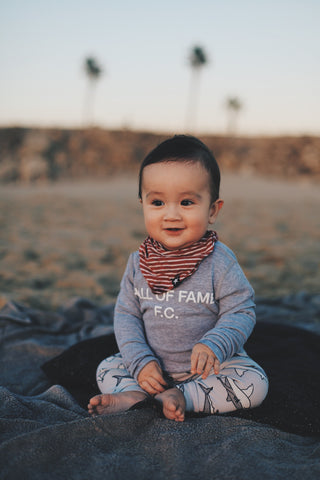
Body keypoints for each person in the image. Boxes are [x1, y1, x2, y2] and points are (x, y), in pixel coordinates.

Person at [88, 135, 268, 421]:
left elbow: (241, 309)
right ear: (142, 205)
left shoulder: (219, 261)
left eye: (186, 202)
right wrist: (140, 362)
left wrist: (215, 344)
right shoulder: (138, 262)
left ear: (212, 210)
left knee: (255, 384)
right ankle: (136, 394)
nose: (171, 215)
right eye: (157, 202)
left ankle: (183, 396)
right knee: (106, 367)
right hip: (152, 367)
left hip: (208, 369)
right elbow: (126, 315)